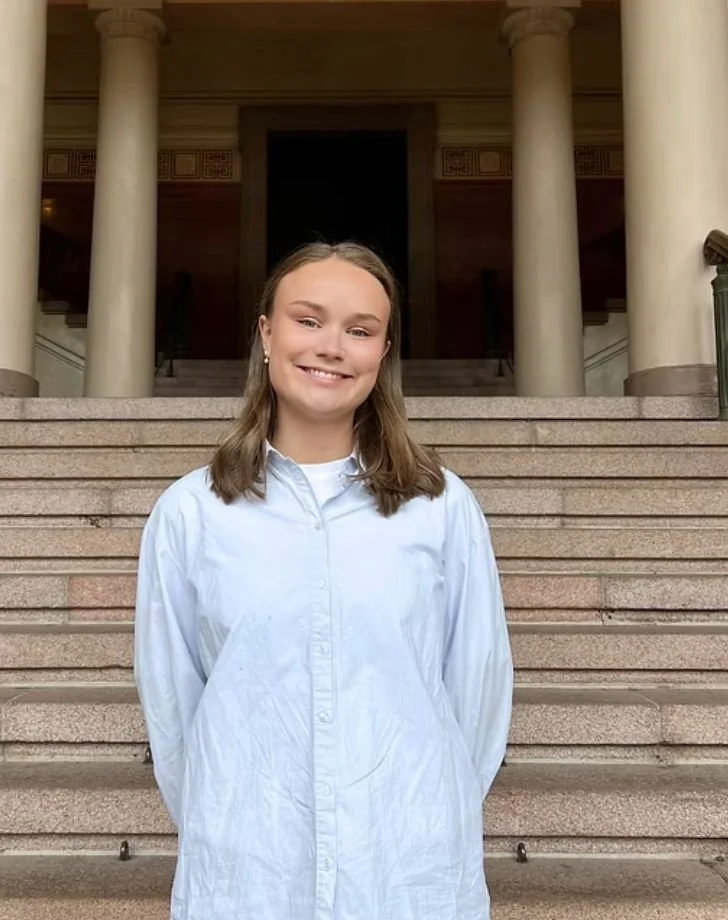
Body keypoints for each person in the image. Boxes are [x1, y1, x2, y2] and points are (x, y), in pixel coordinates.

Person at [135, 241, 514, 920]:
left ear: (383, 352)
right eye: (309, 320)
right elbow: (173, 701)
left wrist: (433, 806)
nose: (332, 346)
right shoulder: (190, 514)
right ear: (267, 332)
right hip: (247, 866)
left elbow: (477, 688)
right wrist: (230, 816)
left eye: (360, 329)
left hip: (405, 862)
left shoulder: (441, 507)